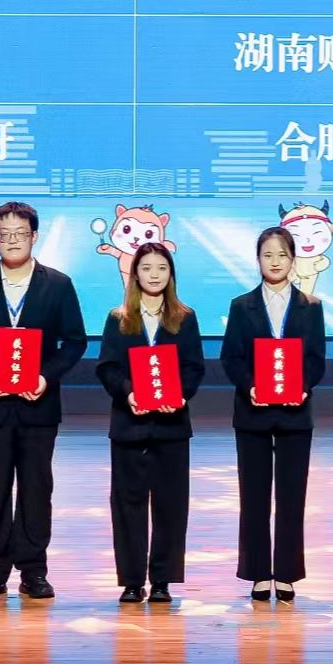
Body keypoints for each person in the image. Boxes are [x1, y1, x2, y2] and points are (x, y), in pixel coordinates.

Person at [0, 201, 88, 601]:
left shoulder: (57, 284)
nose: (12, 241)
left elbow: (74, 341)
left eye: (20, 234)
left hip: (37, 406)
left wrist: (45, 377)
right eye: (4, 235)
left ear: (34, 236)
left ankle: (34, 571)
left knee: (36, 489)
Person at [93, 242, 204, 604]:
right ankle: (131, 580)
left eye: (161, 268)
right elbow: (107, 367)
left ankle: (162, 580)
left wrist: (181, 394)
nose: (154, 275)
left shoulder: (185, 317)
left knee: (171, 505)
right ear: (134, 273)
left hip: (172, 426)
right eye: (146, 268)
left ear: (171, 274)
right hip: (130, 425)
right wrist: (129, 394)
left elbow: (194, 367)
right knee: (128, 504)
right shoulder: (119, 317)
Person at [221, 225, 327, 602]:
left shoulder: (311, 306)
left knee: (291, 496)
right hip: (253, 413)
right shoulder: (241, 305)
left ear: (293, 260)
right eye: (268, 255)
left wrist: (303, 387)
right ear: (258, 260)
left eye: (282, 254)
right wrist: (251, 387)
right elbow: (231, 357)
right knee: (253, 496)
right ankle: (256, 573)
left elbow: (316, 359)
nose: (275, 261)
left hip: (296, 414)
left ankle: (286, 573)